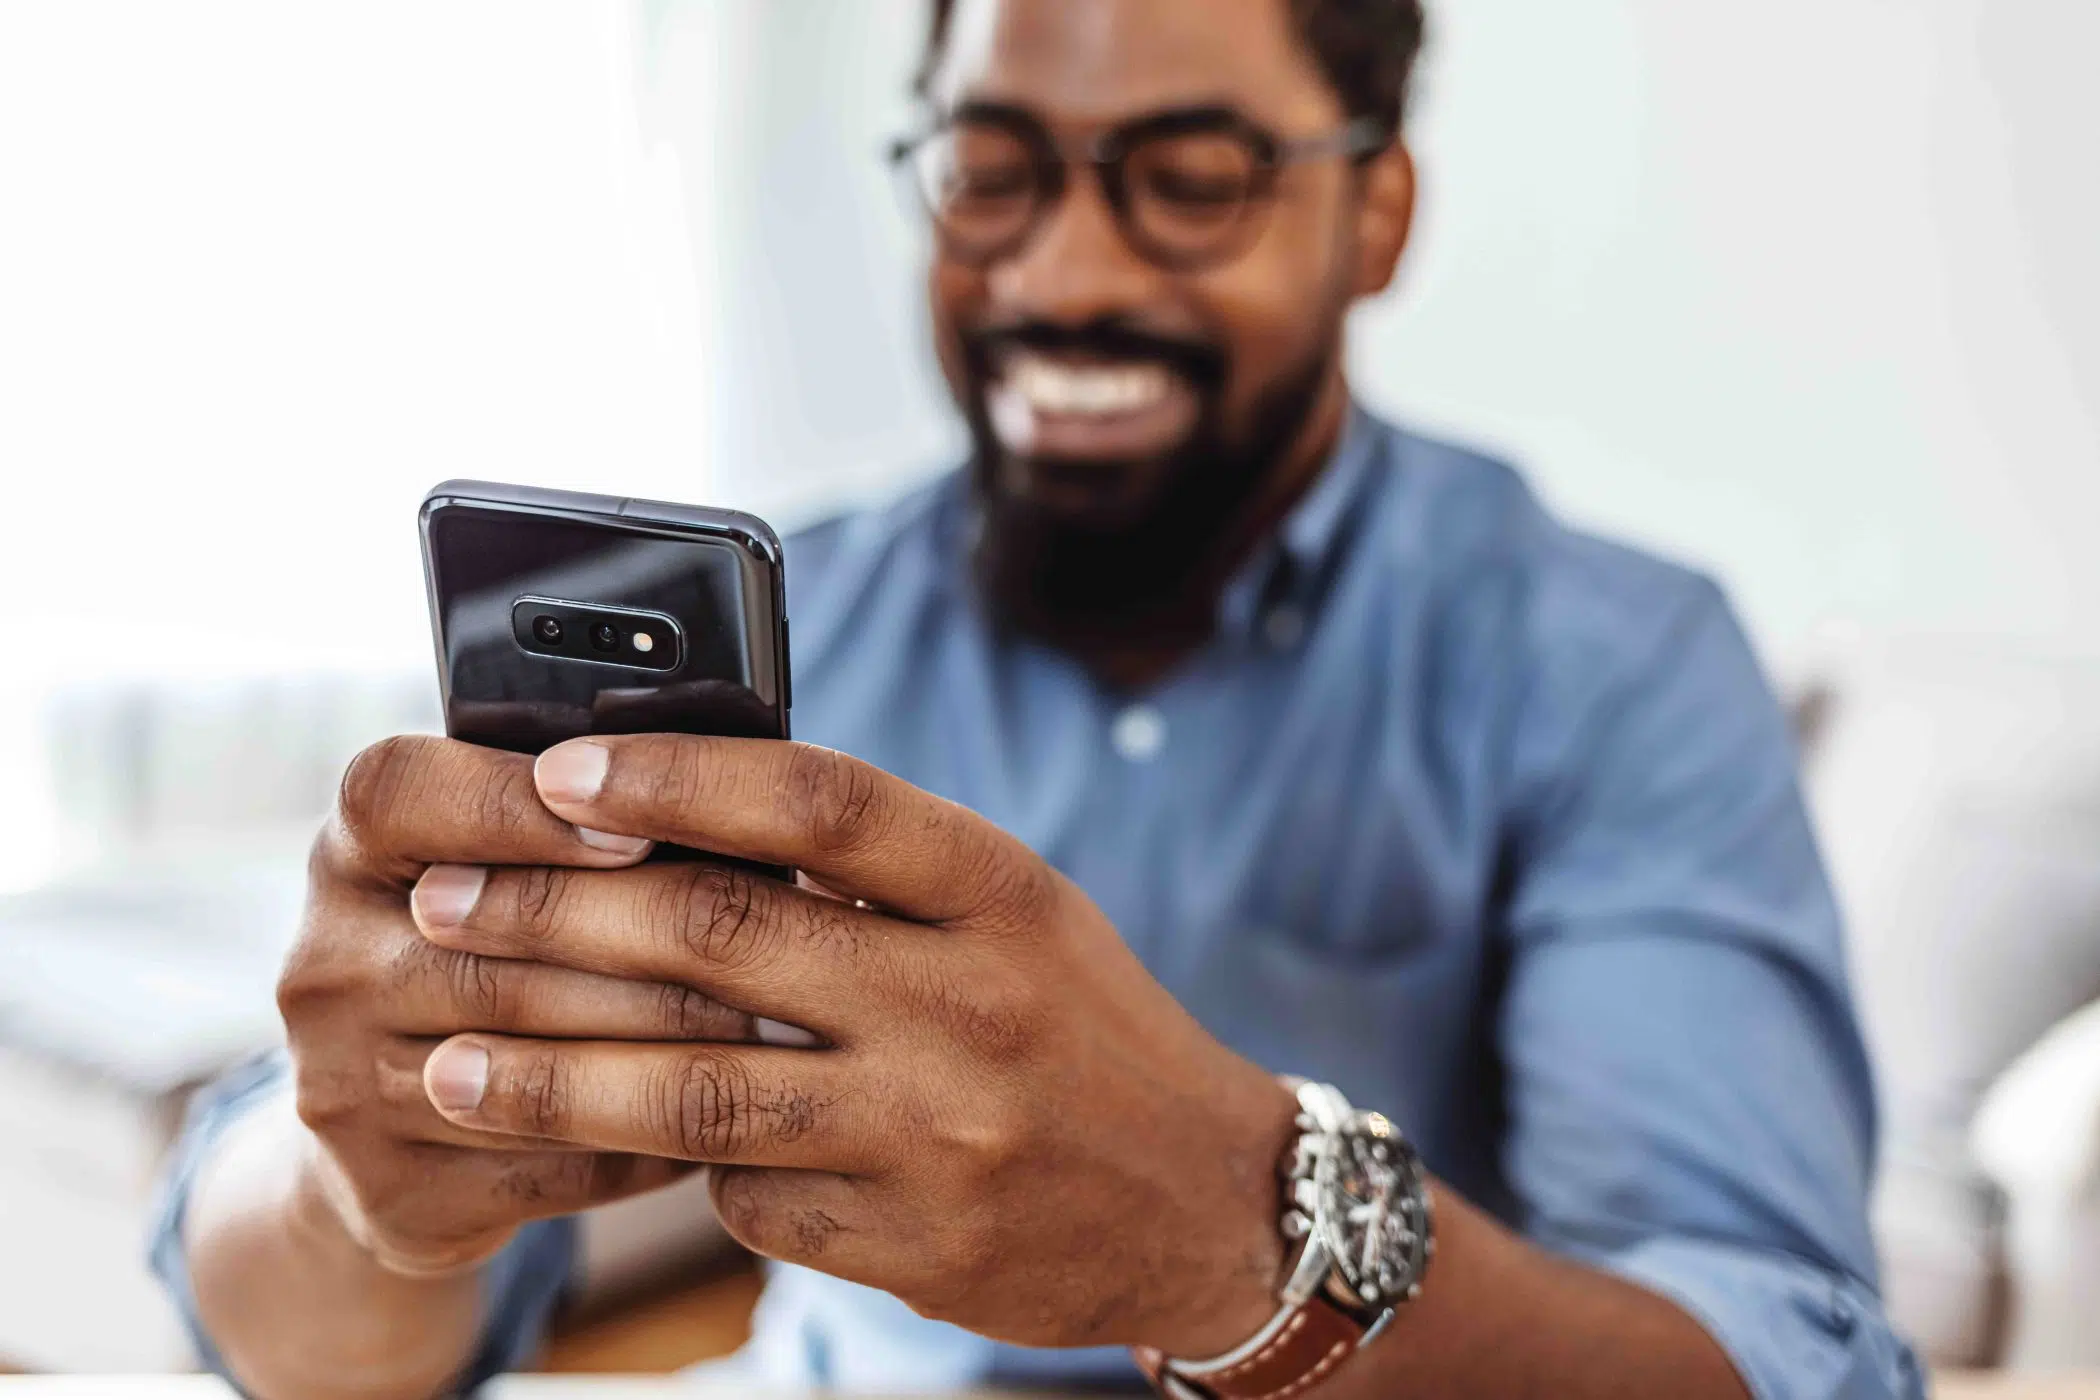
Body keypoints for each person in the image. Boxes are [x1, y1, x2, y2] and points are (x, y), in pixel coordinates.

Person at [151, 1, 1925, 1396]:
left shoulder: (1609, 659)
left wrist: (1236, 1237)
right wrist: (354, 1201)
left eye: (1195, 175)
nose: (1065, 276)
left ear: (1376, 212)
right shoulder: (804, 617)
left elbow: (1775, 1352)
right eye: (993, 170)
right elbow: (314, 1341)